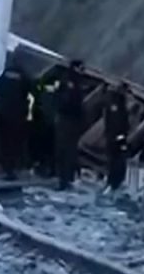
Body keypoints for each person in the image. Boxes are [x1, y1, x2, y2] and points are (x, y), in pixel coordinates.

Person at [0, 54, 32, 180]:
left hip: (3, 113)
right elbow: (31, 95)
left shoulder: (5, 75)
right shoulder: (25, 77)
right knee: (15, 142)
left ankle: (7, 168)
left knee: (4, 142)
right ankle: (14, 168)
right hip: (18, 115)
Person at [53, 60, 86, 190]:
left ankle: (65, 177)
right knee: (68, 149)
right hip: (69, 119)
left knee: (65, 149)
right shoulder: (72, 82)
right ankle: (65, 178)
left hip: (65, 119)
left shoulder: (67, 80)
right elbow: (73, 102)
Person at [104, 82, 131, 190]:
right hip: (117, 137)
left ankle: (113, 182)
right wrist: (121, 136)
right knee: (117, 160)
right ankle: (114, 183)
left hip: (113, 136)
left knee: (114, 160)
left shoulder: (115, 102)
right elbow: (117, 122)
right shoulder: (117, 103)